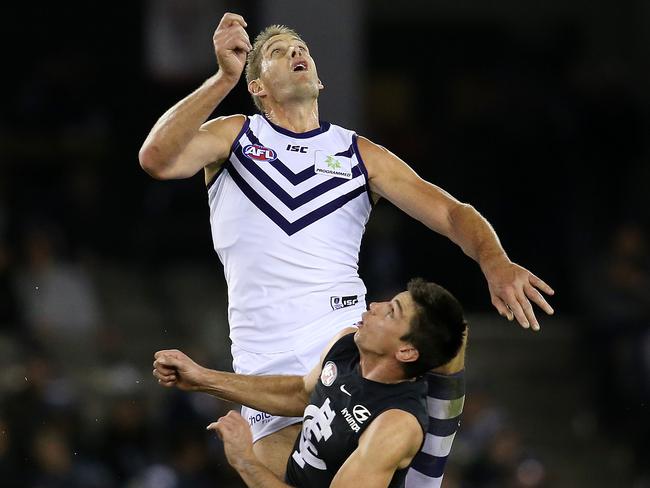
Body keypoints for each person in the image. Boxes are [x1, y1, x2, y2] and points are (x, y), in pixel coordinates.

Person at [139, 12, 554, 485]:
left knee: (448, 336)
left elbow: (452, 212)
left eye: (302, 50)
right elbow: (157, 159)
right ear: (258, 88)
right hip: (264, 361)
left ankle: (427, 473)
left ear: (319, 79)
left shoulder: (360, 154)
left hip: (346, 338)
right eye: (278, 52)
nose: (297, 53)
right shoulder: (234, 134)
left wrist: (494, 261)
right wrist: (221, 79)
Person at [153, 278, 468, 487]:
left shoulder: (394, 424)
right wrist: (202, 379)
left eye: (391, 312)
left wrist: (245, 461)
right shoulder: (347, 344)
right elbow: (302, 392)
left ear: (407, 350)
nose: (374, 305)